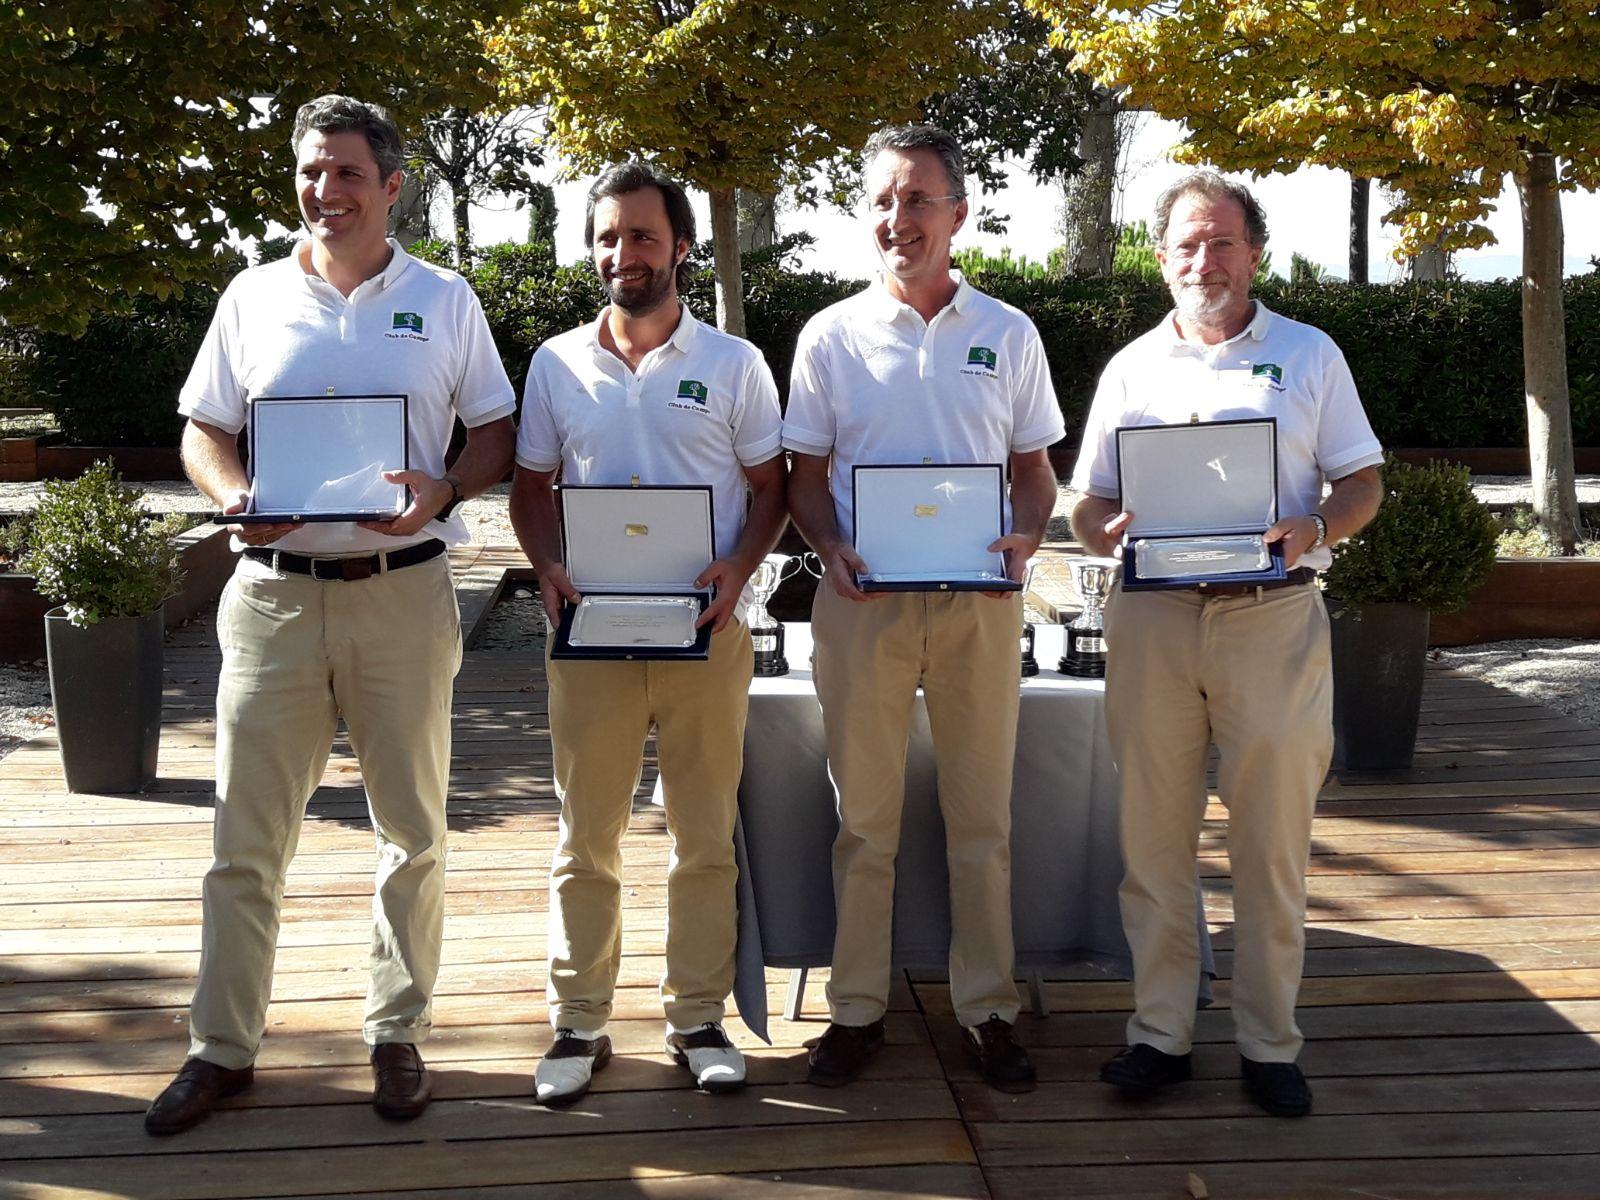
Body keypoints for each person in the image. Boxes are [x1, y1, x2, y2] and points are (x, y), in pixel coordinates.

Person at [145, 95, 516, 1136]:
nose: (325, 191)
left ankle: (396, 1033)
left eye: (347, 173)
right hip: (269, 597)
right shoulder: (252, 296)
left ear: (393, 186)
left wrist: (441, 491)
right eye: (311, 171)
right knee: (243, 839)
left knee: (413, 833)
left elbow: (493, 431)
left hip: (402, 592)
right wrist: (227, 496)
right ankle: (221, 1048)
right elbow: (202, 430)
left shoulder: (444, 300)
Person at [1071, 170, 1383, 1118]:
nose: (1203, 260)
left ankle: (1268, 1042)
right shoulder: (1131, 367)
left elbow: (1361, 480)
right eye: (1186, 244)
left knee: (1272, 843)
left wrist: (1317, 533)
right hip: (1155, 622)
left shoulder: (1310, 352)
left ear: (1254, 253)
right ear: (1161, 259)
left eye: (1221, 242)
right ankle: (1159, 1033)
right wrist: (1107, 532)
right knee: (1153, 842)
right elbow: (1085, 503)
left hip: (1272, 618)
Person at [783, 124, 1064, 1093]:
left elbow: (1035, 475)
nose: (898, 219)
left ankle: (987, 1009)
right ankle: (856, 1010)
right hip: (862, 604)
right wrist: (826, 545)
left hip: (978, 608)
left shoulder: (1009, 332)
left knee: (980, 819)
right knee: (863, 821)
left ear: (957, 213)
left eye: (918, 200)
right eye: (884, 201)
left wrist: (1026, 537)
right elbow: (804, 478)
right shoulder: (828, 335)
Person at [511, 161, 787, 1104]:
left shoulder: (736, 365)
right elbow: (530, 489)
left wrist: (740, 568)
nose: (622, 252)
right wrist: (547, 565)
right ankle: (579, 1023)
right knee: (586, 838)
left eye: (641, 235)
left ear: (678, 247)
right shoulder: (556, 363)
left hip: (704, 634)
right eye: (607, 236)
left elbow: (771, 491)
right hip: (590, 638)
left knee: (703, 835)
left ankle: (696, 1015)